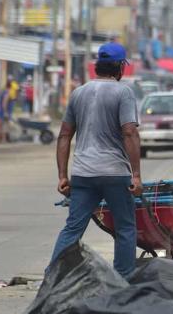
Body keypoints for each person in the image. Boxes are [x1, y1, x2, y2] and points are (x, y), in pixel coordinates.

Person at [50, 42, 142, 277]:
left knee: (73, 228)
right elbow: (129, 132)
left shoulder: (78, 93)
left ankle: (54, 277)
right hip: (114, 173)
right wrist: (136, 175)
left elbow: (64, 135)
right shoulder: (124, 93)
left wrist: (62, 175)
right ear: (120, 67)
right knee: (125, 228)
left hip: (83, 174)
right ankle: (122, 282)